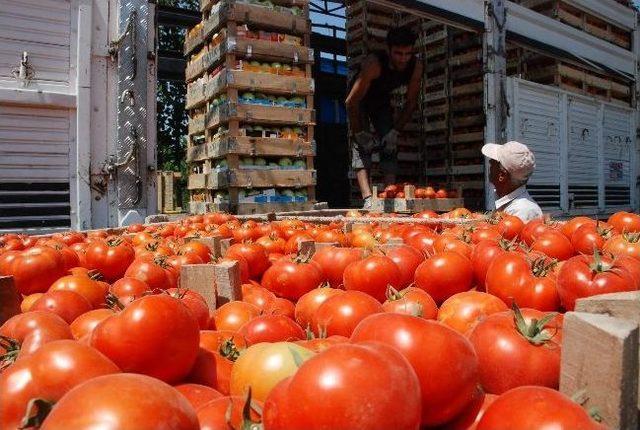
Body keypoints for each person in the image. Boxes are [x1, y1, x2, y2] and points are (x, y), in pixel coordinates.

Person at [345, 25, 423, 210]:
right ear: (388, 50)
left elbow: (411, 102)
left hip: (381, 100)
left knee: (389, 142)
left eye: (407, 53)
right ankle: (367, 199)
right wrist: (359, 132)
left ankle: (390, 194)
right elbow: (351, 102)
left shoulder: (415, 66)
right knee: (361, 146)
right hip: (360, 100)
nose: (403, 58)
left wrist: (395, 131)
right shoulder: (373, 64)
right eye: (398, 53)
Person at [481, 141, 543, 222]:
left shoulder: (523, 212)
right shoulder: (507, 202)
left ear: (502, 175)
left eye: (493, 162)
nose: (489, 162)